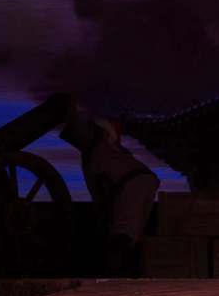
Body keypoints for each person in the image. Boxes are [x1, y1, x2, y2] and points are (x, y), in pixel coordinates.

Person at [60, 103, 160, 276]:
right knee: (132, 233)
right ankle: (133, 273)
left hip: (132, 183)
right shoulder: (113, 150)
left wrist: (103, 215)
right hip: (145, 180)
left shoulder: (96, 152)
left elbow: (97, 190)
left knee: (122, 233)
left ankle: (117, 274)